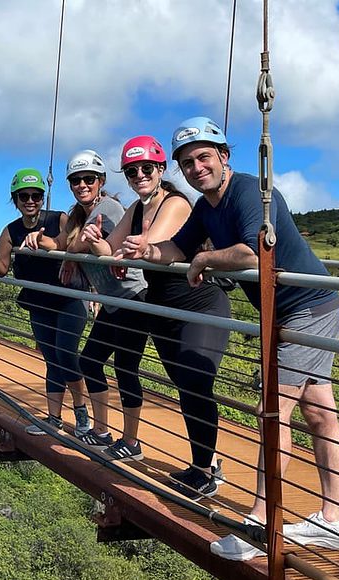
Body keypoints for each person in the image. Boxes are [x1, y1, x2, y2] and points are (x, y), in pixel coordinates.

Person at [122, 117, 339, 560]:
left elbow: (253, 249)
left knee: (273, 413)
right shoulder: (207, 207)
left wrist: (206, 257)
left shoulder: (248, 191)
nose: (195, 168)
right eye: (187, 163)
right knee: (320, 414)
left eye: (204, 157)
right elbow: (179, 248)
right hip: (295, 312)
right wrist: (147, 251)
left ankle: (259, 528)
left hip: (307, 309)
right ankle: (335, 519)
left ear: (223, 157)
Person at [79, 135, 230, 494]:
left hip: (199, 304)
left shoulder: (175, 203)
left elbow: (153, 249)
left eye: (146, 168)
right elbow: (112, 250)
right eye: (132, 172)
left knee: (195, 383)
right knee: (185, 386)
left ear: (161, 169)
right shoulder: (135, 209)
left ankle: (204, 471)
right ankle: (203, 466)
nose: (139, 176)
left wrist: (126, 251)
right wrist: (92, 238)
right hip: (161, 308)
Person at [49, 149, 149, 454]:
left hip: (133, 298)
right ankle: (102, 431)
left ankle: (131, 442)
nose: (82, 185)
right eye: (76, 180)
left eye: (88, 179)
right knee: (90, 361)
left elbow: (84, 245)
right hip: (112, 302)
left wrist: (74, 252)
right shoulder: (80, 214)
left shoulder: (109, 208)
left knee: (125, 368)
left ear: (101, 180)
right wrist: (72, 253)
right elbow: (71, 244)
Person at [0, 168, 91, 438]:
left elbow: (70, 247)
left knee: (66, 355)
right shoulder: (11, 231)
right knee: (52, 359)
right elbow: (1, 268)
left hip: (68, 300)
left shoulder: (59, 219)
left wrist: (45, 241)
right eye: (24, 196)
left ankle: (81, 413)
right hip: (38, 304)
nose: (30, 200)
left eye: (36, 195)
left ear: (43, 198)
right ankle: (54, 418)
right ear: (15, 199)